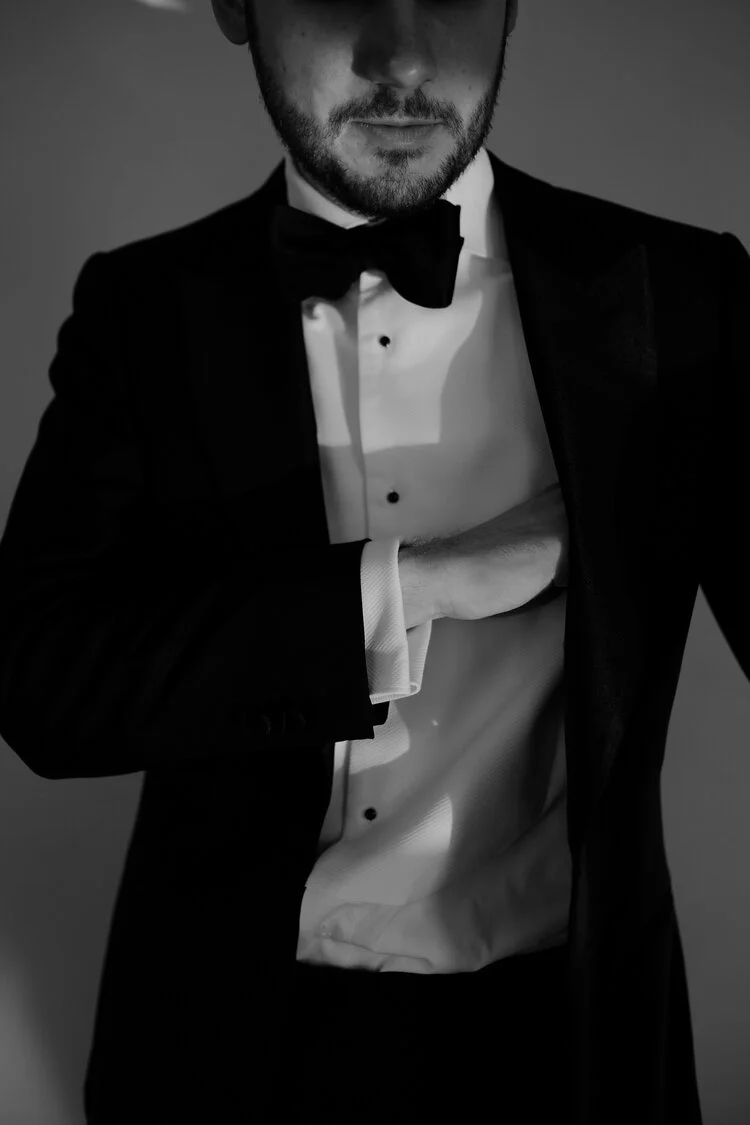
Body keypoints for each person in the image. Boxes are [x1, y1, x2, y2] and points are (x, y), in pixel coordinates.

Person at [0, 0, 746, 1121]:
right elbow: (41, 684)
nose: (401, 54)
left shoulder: (679, 294)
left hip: (579, 1047)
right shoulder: (143, 306)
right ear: (237, 5)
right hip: (226, 1048)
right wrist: (421, 582)